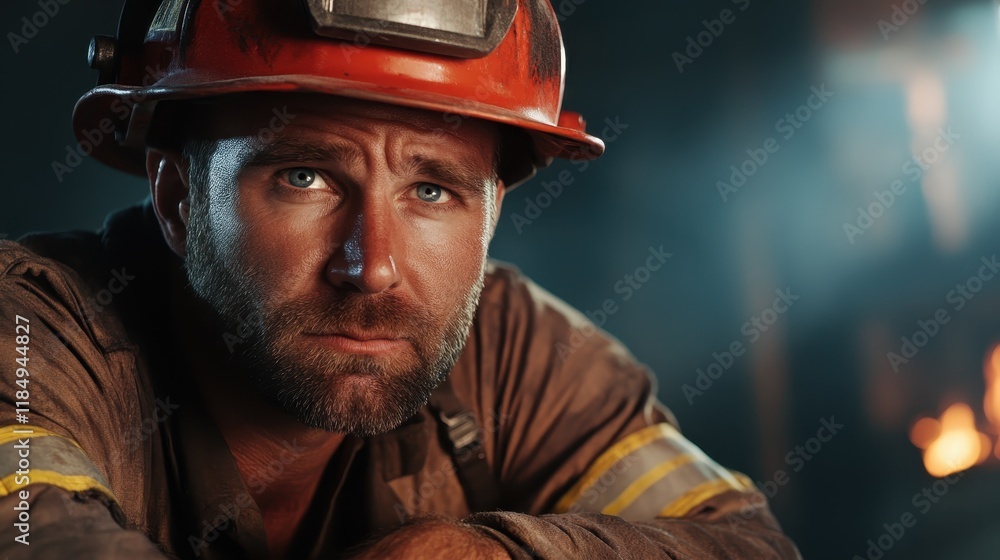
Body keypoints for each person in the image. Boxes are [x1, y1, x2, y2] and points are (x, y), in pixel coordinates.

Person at [0, 0, 801, 558]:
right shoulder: (34, 331)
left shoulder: (514, 352)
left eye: (431, 190)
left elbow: (748, 548)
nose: (372, 266)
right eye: (305, 177)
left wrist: (487, 553)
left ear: (488, 217)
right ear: (177, 200)